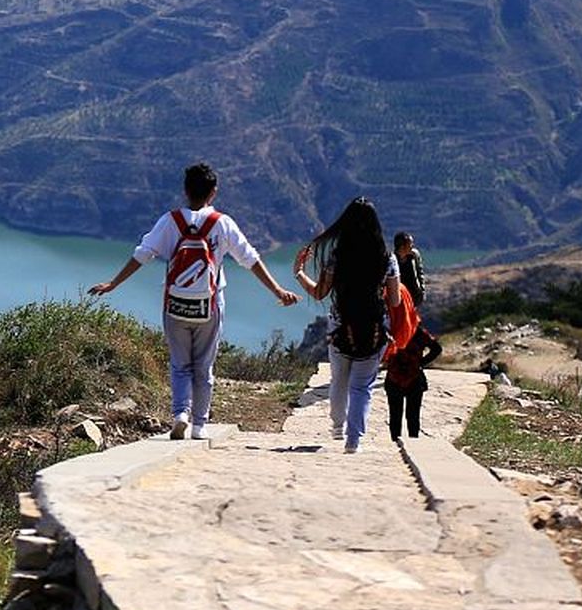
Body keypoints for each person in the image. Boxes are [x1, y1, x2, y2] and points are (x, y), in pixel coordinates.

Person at [89, 162, 299, 440]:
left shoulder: (170, 221)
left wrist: (114, 283)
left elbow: (143, 254)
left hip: (175, 305)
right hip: (209, 306)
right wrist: (278, 291)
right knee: (204, 365)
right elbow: (250, 259)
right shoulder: (222, 223)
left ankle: (180, 414)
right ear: (214, 192)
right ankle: (200, 425)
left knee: (179, 364)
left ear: (185, 190)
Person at [293, 198, 401, 453]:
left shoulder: (336, 256)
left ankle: (337, 428)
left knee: (339, 379)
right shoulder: (388, 259)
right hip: (374, 328)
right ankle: (354, 440)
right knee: (362, 386)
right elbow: (395, 299)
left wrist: (299, 272)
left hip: (340, 327)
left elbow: (319, 293)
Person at [383, 319, 442, 440]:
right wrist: (421, 363)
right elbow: (436, 348)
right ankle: (413, 442)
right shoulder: (418, 332)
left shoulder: (392, 331)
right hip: (413, 376)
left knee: (395, 415)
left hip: (396, 376)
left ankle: (396, 442)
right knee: (412, 415)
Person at [393, 231, 426, 306]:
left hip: (415, 297)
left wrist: (422, 290)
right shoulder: (392, 261)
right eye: (410, 244)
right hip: (401, 299)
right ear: (402, 246)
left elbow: (420, 272)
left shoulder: (414, 255)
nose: (412, 246)